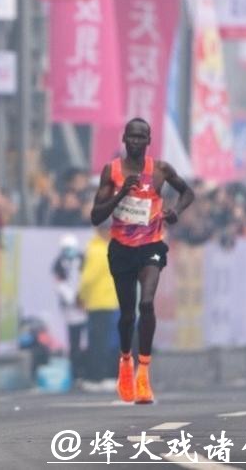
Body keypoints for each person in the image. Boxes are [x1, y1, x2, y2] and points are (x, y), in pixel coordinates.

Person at [90, 117, 194, 404]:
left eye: (141, 137)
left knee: (146, 303)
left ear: (149, 141)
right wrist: (121, 193)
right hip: (122, 248)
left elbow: (188, 192)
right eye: (131, 137)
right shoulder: (111, 171)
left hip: (151, 245)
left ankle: (143, 373)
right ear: (124, 139)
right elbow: (96, 216)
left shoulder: (160, 170)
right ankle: (126, 361)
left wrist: (175, 211)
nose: (136, 141)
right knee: (127, 315)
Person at [77, 219, 119, 392]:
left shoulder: (97, 249)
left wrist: (81, 296)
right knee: (100, 342)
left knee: (97, 342)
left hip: (99, 302)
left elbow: (87, 279)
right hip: (103, 302)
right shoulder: (100, 250)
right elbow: (89, 279)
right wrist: (82, 296)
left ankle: (97, 377)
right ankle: (99, 377)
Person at [51, 234, 87, 383]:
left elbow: (87, 279)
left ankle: (88, 371)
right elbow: (60, 285)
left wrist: (83, 298)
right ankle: (76, 373)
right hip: (70, 309)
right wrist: (73, 300)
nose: (69, 252)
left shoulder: (84, 260)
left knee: (90, 339)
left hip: (86, 305)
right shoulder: (58, 264)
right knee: (74, 340)